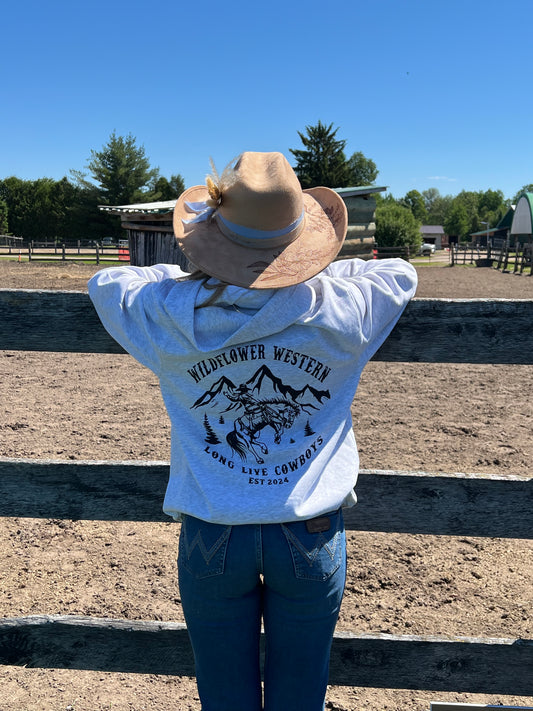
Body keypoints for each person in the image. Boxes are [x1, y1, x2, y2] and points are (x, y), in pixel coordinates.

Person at [88, 151, 417, 711]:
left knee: (223, 693)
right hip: (309, 528)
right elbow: (399, 271)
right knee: (300, 691)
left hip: (213, 526)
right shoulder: (345, 310)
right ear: (302, 245)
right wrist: (313, 271)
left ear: (213, 235)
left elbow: (108, 281)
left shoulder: (169, 312)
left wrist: (195, 273)